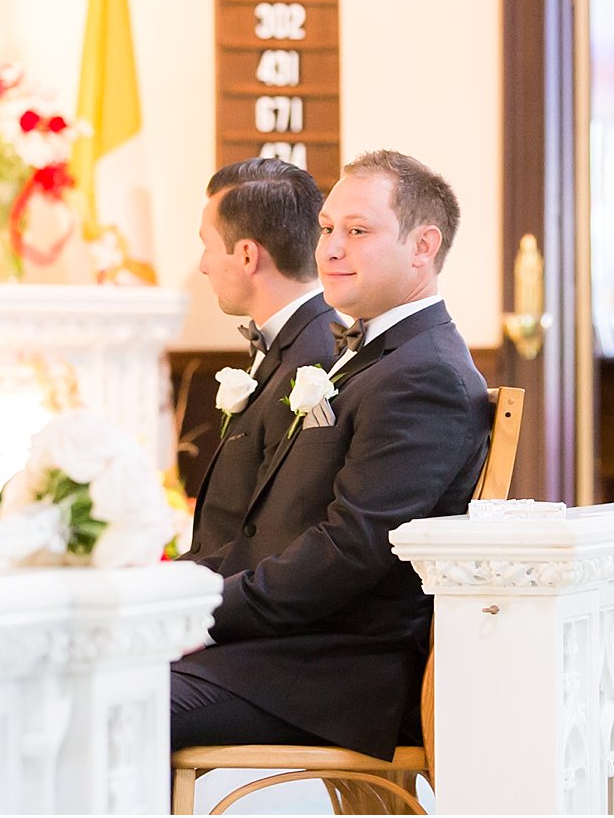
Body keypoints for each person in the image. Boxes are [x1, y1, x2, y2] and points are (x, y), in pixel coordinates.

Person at [173, 150, 492, 759]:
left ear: (424, 246)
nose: (331, 250)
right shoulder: (374, 354)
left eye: (358, 231)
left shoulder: (426, 375)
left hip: (332, 674)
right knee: (96, 688)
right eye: (327, 229)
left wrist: (203, 612)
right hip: (289, 651)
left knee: (107, 706)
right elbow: (278, 526)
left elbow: (351, 550)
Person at [187, 157, 340, 568]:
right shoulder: (293, 344)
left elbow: (278, 536)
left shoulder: (317, 362)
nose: (203, 265)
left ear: (247, 256)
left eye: (208, 245)